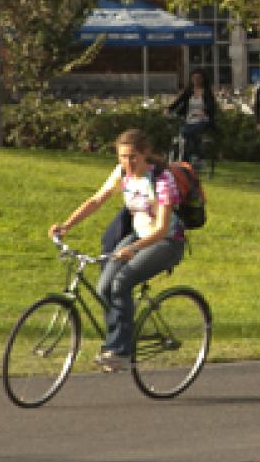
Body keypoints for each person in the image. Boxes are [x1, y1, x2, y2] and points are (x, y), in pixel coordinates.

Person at [48, 129, 186, 372]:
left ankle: (120, 351)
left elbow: (163, 228)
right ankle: (115, 345)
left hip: (166, 242)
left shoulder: (162, 180)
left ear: (146, 155)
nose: (128, 162)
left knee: (121, 282)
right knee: (104, 285)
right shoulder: (122, 173)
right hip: (139, 236)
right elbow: (97, 200)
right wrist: (66, 225)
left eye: (133, 156)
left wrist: (133, 248)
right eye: (123, 156)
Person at [167, 69, 218, 161]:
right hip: (189, 119)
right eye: (194, 78)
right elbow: (179, 101)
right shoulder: (189, 91)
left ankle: (197, 156)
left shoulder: (206, 92)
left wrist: (205, 112)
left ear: (203, 79)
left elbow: (212, 106)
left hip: (202, 119)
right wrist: (169, 109)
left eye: (198, 78)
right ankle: (187, 157)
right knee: (185, 135)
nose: (196, 80)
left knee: (185, 132)